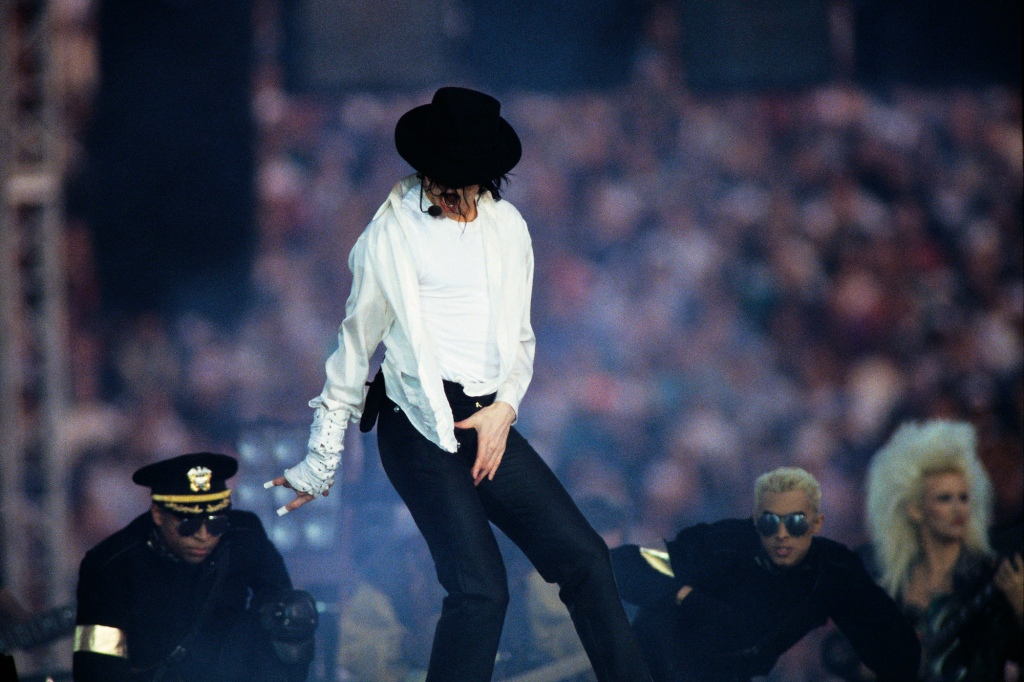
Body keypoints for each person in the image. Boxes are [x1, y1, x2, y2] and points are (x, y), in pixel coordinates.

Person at [267, 86, 652, 682]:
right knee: (480, 591)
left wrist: (505, 410)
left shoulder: (508, 229)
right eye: (442, 181)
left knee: (585, 559)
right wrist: (320, 463)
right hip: (413, 422)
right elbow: (350, 351)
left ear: (487, 178)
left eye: (466, 182)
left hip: (484, 416)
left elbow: (519, 341)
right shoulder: (388, 238)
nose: (453, 194)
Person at [610, 466, 920, 682]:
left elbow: (895, 646)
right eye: (771, 523)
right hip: (667, 664)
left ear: (816, 524)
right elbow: (627, 564)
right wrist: (688, 597)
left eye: (796, 524)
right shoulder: (720, 543)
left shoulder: (833, 570)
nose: (782, 535)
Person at [73, 452, 317, 682]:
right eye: (189, 525)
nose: (203, 536)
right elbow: (97, 665)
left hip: (226, 672)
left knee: (290, 614)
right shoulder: (111, 565)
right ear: (158, 514)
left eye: (216, 524)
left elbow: (284, 613)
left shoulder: (244, 536)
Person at [862, 419, 1023, 681]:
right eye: (944, 498)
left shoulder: (991, 575)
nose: (958, 509)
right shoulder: (894, 584)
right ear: (914, 509)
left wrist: (1021, 606)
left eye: (964, 497)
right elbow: (841, 655)